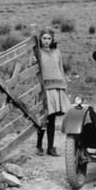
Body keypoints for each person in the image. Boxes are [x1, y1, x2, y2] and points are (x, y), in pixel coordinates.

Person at [35, 28, 71, 157]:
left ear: (52, 40)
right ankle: (39, 145)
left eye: (49, 38)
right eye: (44, 38)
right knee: (43, 118)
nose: (46, 41)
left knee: (52, 119)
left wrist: (64, 87)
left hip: (57, 87)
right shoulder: (37, 53)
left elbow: (60, 69)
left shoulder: (57, 52)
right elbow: (31, 68)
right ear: (40, 39)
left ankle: (50, 147)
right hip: (44, 89)